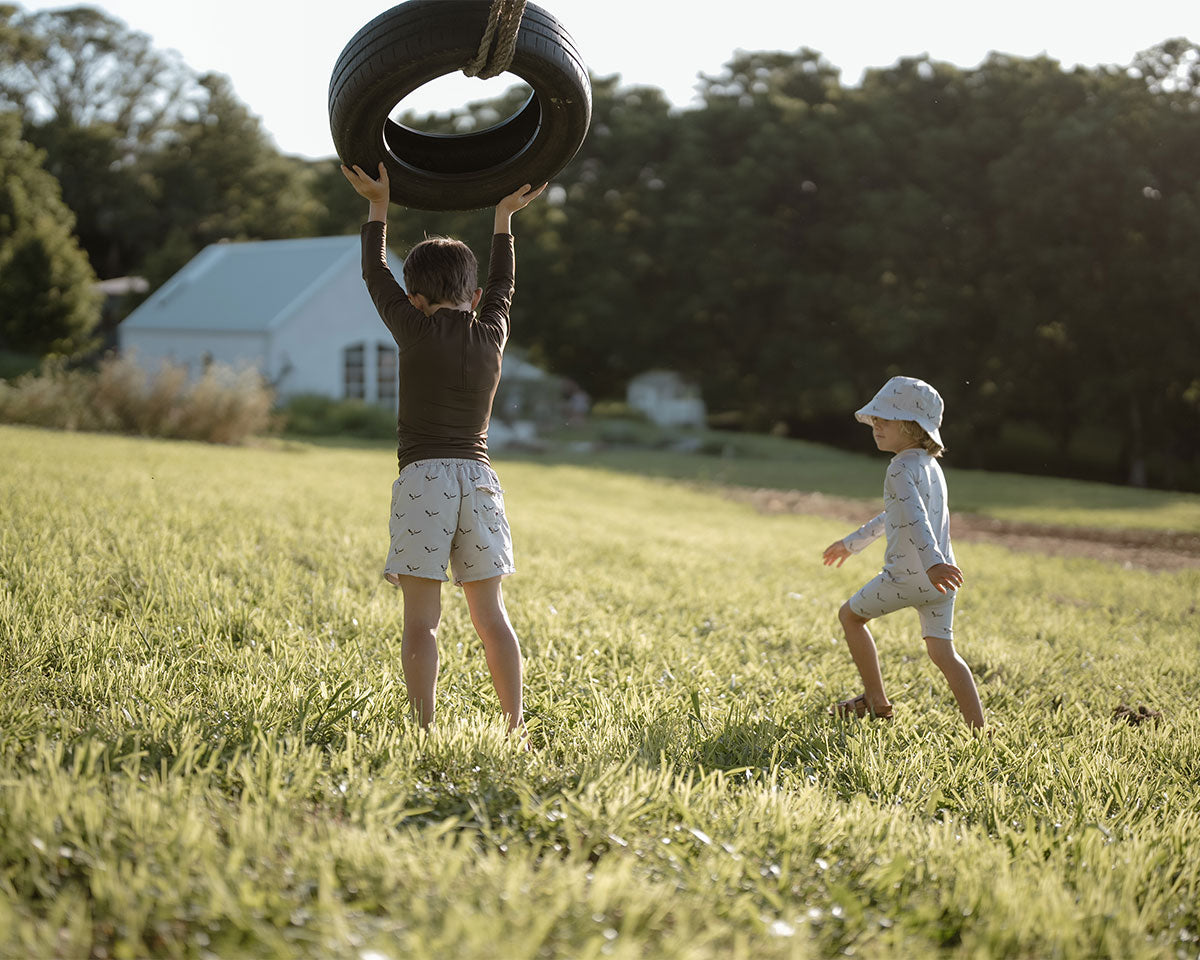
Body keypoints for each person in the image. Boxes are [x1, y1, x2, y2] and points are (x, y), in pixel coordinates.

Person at [341, 161, 546, 736]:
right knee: (492, 619)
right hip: (480, 481)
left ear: (416, 296)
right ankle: (514, 727)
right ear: (474, 296)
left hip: (424, 480)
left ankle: (424, 729)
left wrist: (378, 207)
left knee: (421, 623)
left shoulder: (414, 327)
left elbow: (372, 273)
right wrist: (503, 218)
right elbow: (507, 286)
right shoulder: (493, 330)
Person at [821, 376, 985, 729]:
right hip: (942, 582)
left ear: (912, 427)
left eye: (885, 418)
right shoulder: (931, 467)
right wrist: (852, 544)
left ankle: (877, 701)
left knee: (850, 617)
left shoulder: (898, 467)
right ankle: (979, 731)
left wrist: (932, 563)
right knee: (944, 654)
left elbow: (915, 517)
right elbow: (896, 513)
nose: (876, 425)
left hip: (911, 576)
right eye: (875, 418)